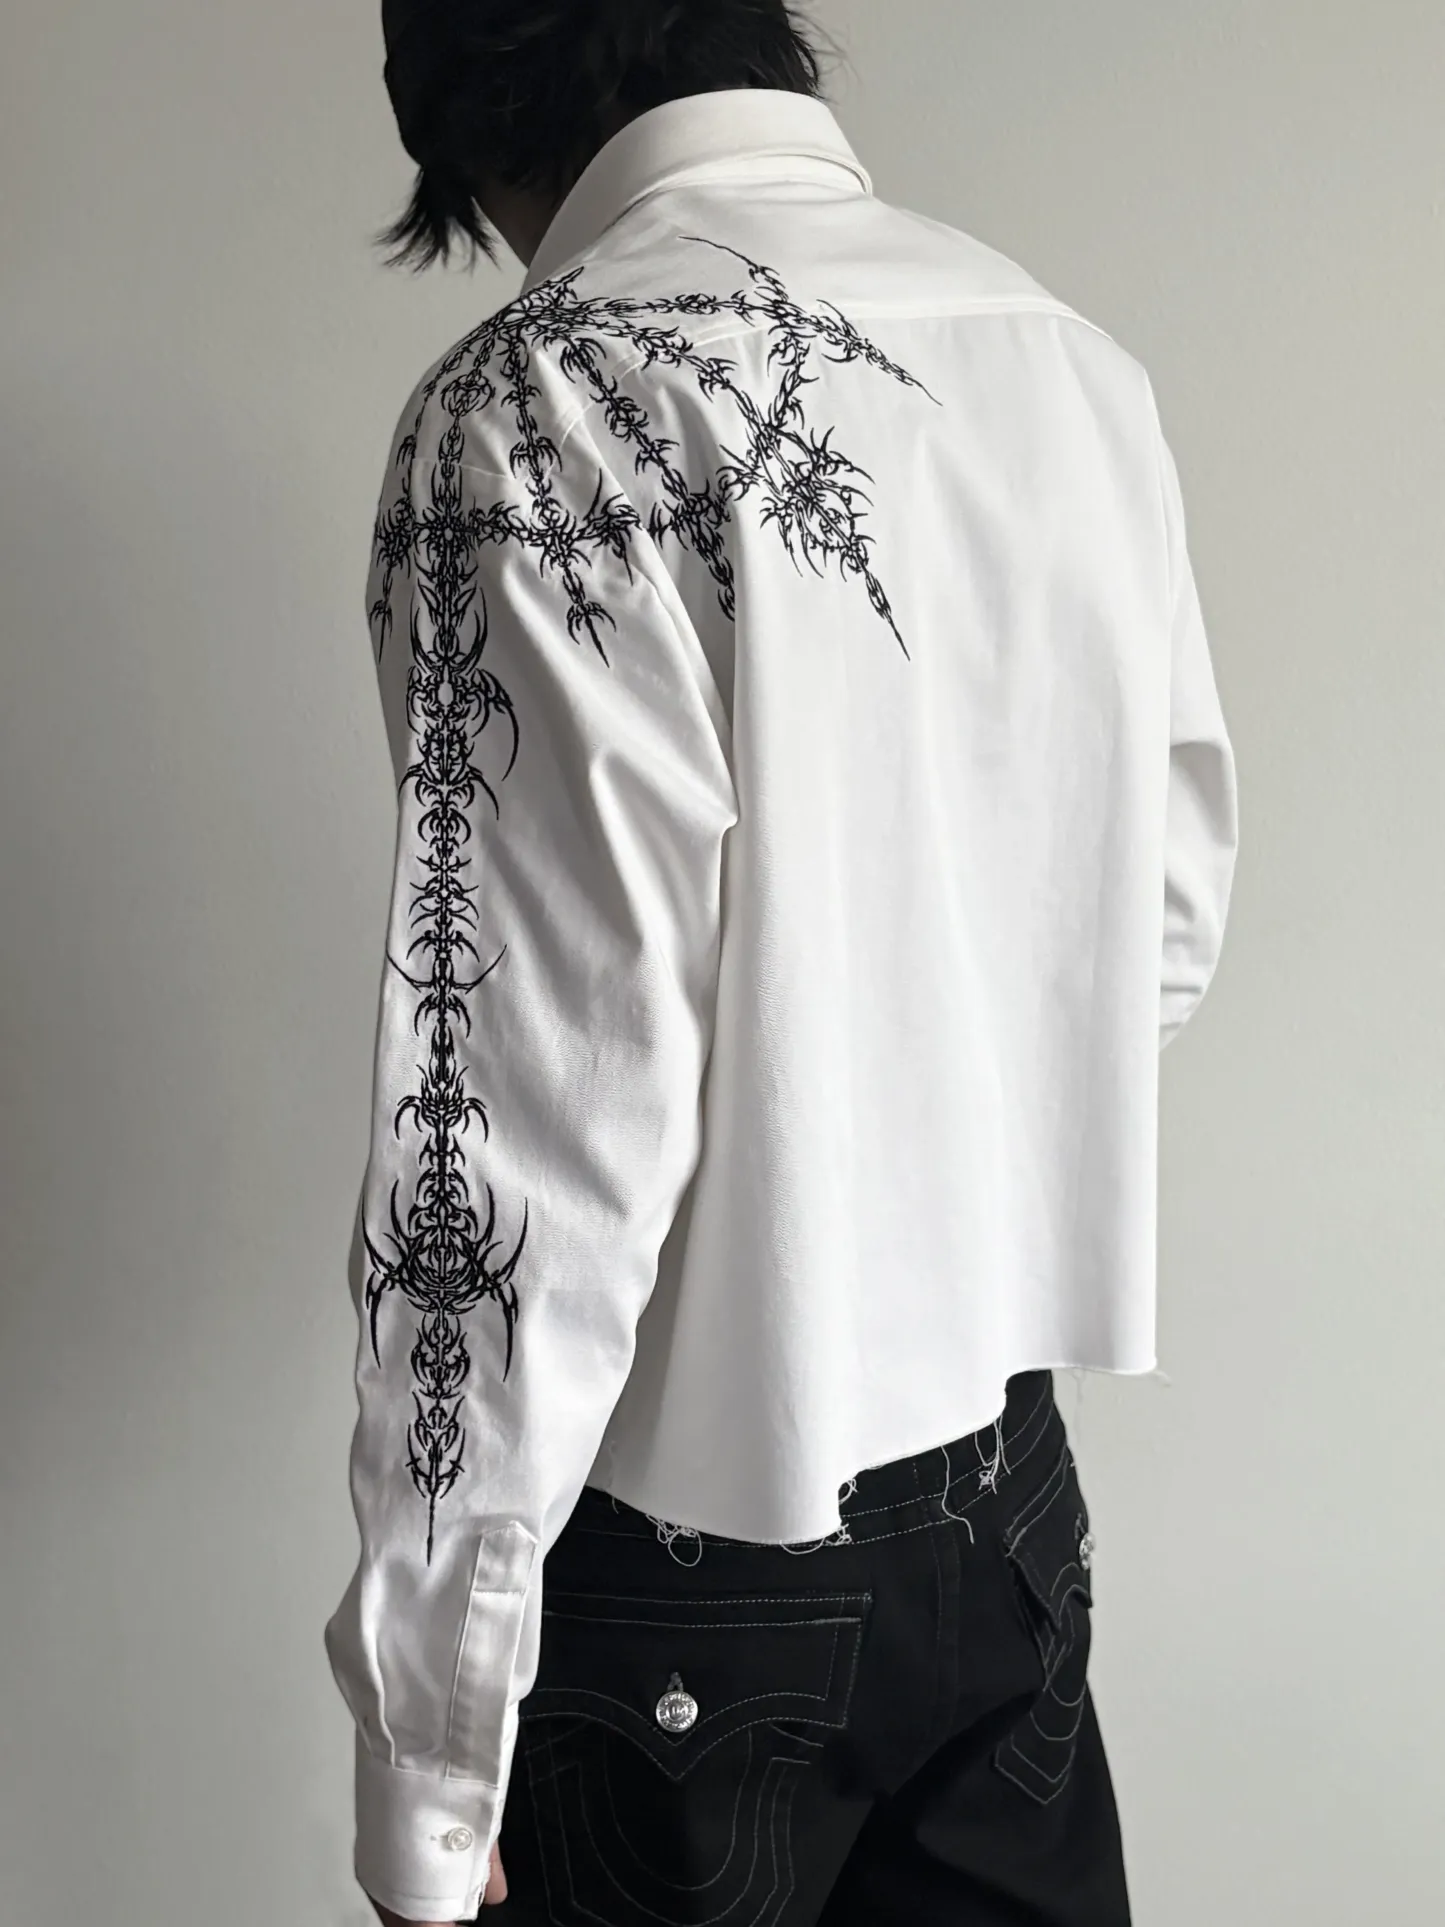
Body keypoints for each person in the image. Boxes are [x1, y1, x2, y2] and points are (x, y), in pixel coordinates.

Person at [324, 4, 1240, 1923]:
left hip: (681, 1571)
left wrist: (429, 1748)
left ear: (474, 121)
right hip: (1004, 1504)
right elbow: (1154, 926)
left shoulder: (542, 404)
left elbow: (519, 1127)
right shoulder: (1061, 360)